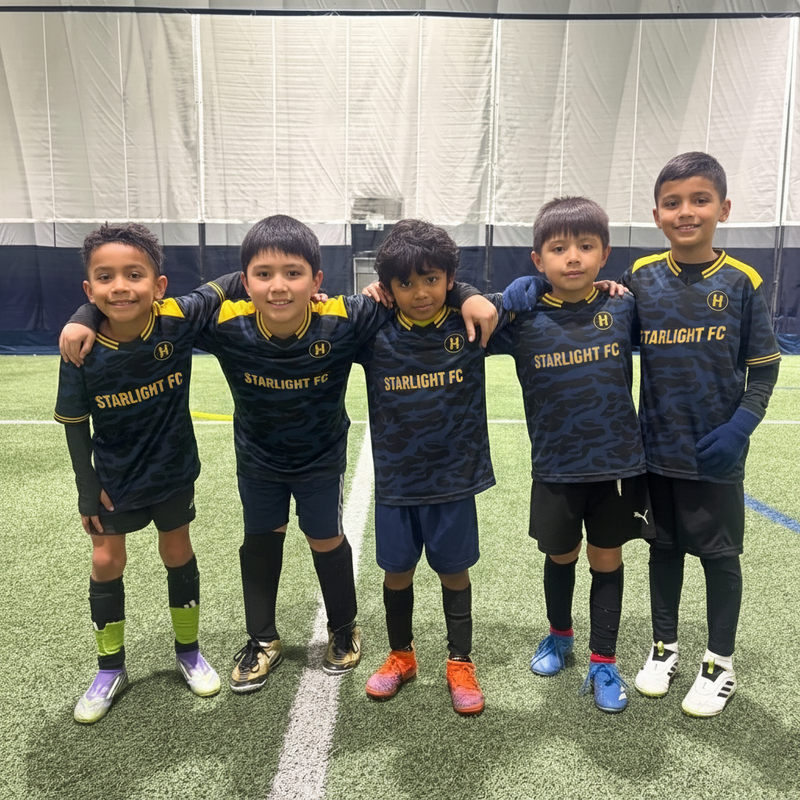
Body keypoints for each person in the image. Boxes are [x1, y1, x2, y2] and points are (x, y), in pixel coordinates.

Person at [61, 215, 498, 696]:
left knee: (325, 539)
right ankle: (262, 639)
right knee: (261, 541)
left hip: (320, 460)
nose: (278, 287)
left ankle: (343, 628)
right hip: (259, 461)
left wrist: (467, 293)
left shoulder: (347, 317)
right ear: (244, 284)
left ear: (317, 282)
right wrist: (84, 314)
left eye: (293, 273)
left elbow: (424, 283)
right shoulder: (223, 321)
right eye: (263, 275)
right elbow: (140, 309)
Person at [620, 152, 781, 717]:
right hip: (655, 451)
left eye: (699, 200)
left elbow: (764, 367)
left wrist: (740, 427)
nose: (686, 212)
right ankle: (664, 648)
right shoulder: (640, 278)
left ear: (723, 209)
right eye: (672, 203)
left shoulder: (741, 282)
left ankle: (720, 662)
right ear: (658, 214)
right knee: (662, 550)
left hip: (715, 455)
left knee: (719, 556)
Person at [55, 223, 227, 723]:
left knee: (177, 551)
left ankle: (189, 652)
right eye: (104, 278)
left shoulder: (175, 322)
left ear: (159, 285)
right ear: (89, 290)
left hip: (173, 470)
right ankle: (110, 668)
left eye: (134, 274)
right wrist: (88, 494)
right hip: (113, 481)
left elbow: (233, 282)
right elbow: (75, 426)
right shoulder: (80, 350)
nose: (120, 286)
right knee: (107, 562)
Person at [496, 197, 653, 713]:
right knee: (559, 555)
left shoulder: (623, 305)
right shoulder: (519, 317)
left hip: (617, 468)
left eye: (585, 247)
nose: (573, 258)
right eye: (558, 248)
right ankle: (559, 636)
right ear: (537, 259)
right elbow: (462, 313)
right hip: (557, 468)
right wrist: (503, 295)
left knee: (606, 559)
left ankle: (604, 661)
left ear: (604, 254)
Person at [356, 219, 509, 716]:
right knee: (396, 572)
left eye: (432, 279)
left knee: (453, 572)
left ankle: (459, 660)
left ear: (449, 277)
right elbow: (324, 316)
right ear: (388, 286)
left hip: (453, 480)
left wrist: (468, 294)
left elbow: (532, 297)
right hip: (398, 483)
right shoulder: (373, 326)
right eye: (405, 283)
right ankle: (401, 656)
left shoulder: (469, 323)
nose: (420, 292)